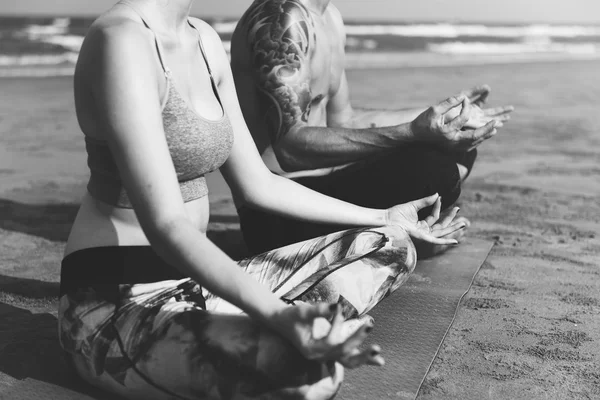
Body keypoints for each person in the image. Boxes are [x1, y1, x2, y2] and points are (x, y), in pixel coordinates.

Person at [58, 0, 466, 399]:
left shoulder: (202, 40)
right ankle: (287, 328)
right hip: (118, 302)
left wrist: (384, 215)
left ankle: (290, 325)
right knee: (310, 375)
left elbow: (258, 183)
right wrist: (278, 314)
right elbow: (167, 226)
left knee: (392, 243)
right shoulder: (122, 41)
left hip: (197, 283)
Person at [230, 0, 515, 254]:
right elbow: (290, 150)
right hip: (279, 213)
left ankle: (399, 230)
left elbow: (345, 121)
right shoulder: (282, 19)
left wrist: (439, 117)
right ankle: (403, 234)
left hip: (329, 187)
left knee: (457, 146)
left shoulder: (329, 18)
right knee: (435, 170)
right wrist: (412, 132)